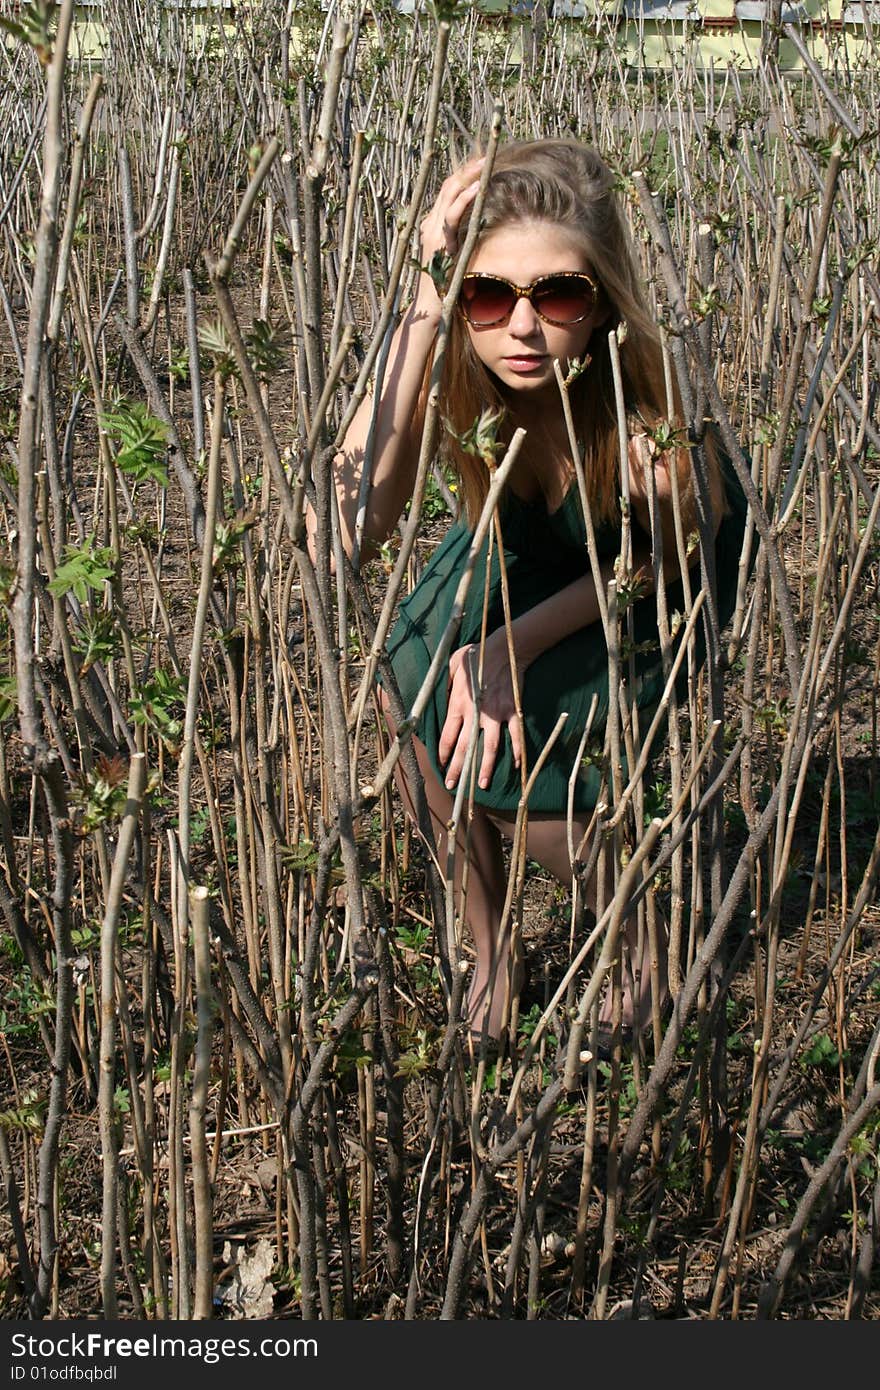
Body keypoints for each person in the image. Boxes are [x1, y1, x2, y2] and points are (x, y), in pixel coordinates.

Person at [315, 139, 747, 1054]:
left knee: (525, 765)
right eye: (486, 294)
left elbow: (668, 563)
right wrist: (426, 306)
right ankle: (493, 953)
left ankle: (645, 948)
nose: (521, 326)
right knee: (416, 677)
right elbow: (342, 533)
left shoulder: (647, 431)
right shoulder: (461, 367)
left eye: (556, 295)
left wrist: (517, 645)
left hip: (630, 583)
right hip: (528, 551)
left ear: (601, 302)